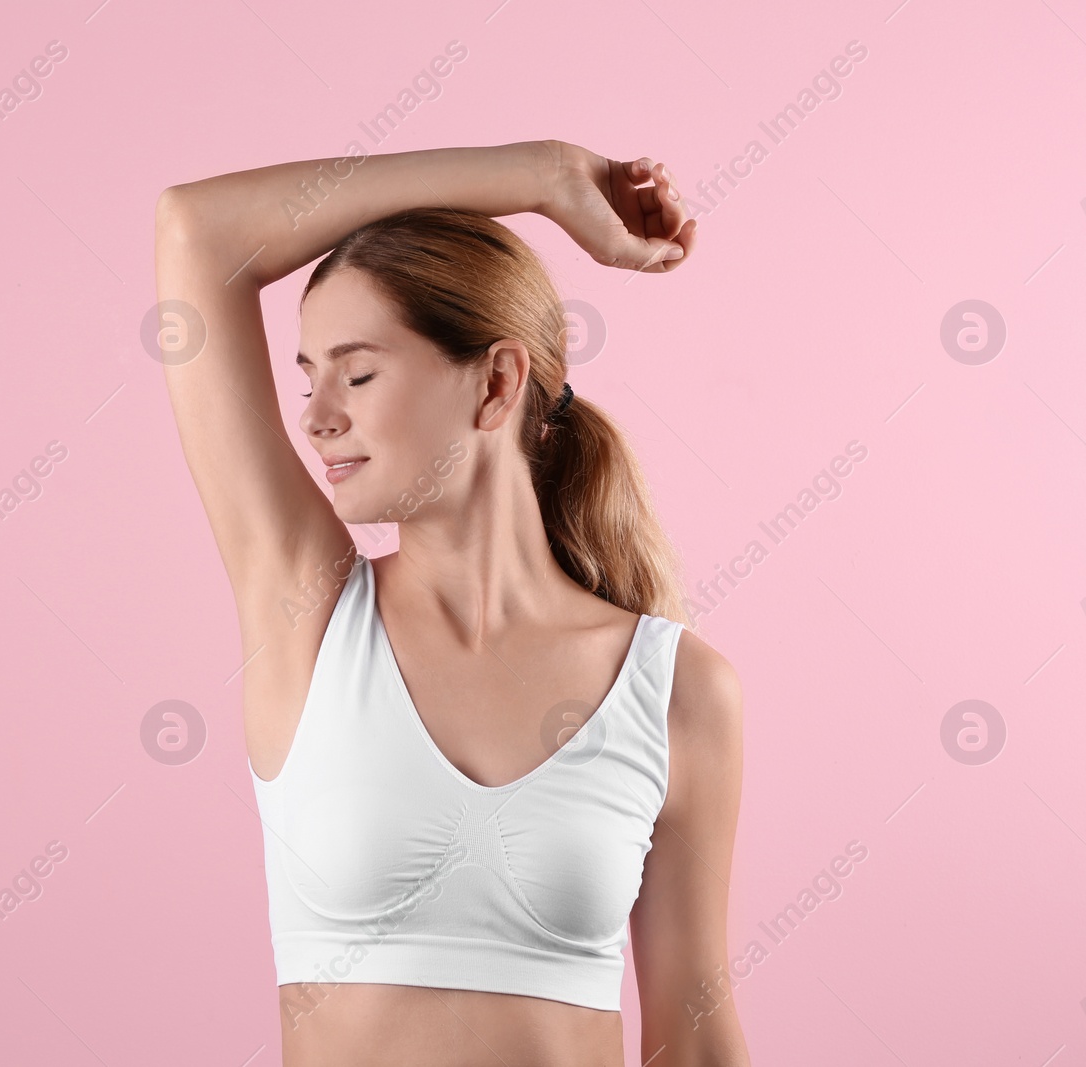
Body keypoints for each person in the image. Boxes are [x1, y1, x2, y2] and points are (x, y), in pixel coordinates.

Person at [155, 140, 750, 1067]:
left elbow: (695, 1037)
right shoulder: (307, 611)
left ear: (497, 384)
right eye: (308, 378)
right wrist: (543, 179)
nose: (315, 417)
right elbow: (197, 231)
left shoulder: (678, 689)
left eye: (356, 374)